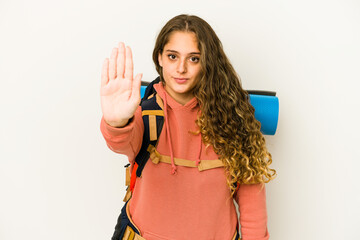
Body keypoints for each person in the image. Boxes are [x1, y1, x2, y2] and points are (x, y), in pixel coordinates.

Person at [100, 14, 276, 240]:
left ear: (207, 62)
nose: (181, 68)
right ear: (160, 58)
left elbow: (253, 204)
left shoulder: (233, 118)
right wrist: (116, 122)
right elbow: (121, 140)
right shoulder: (145, 114)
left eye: (194, 58)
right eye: (173, 56)